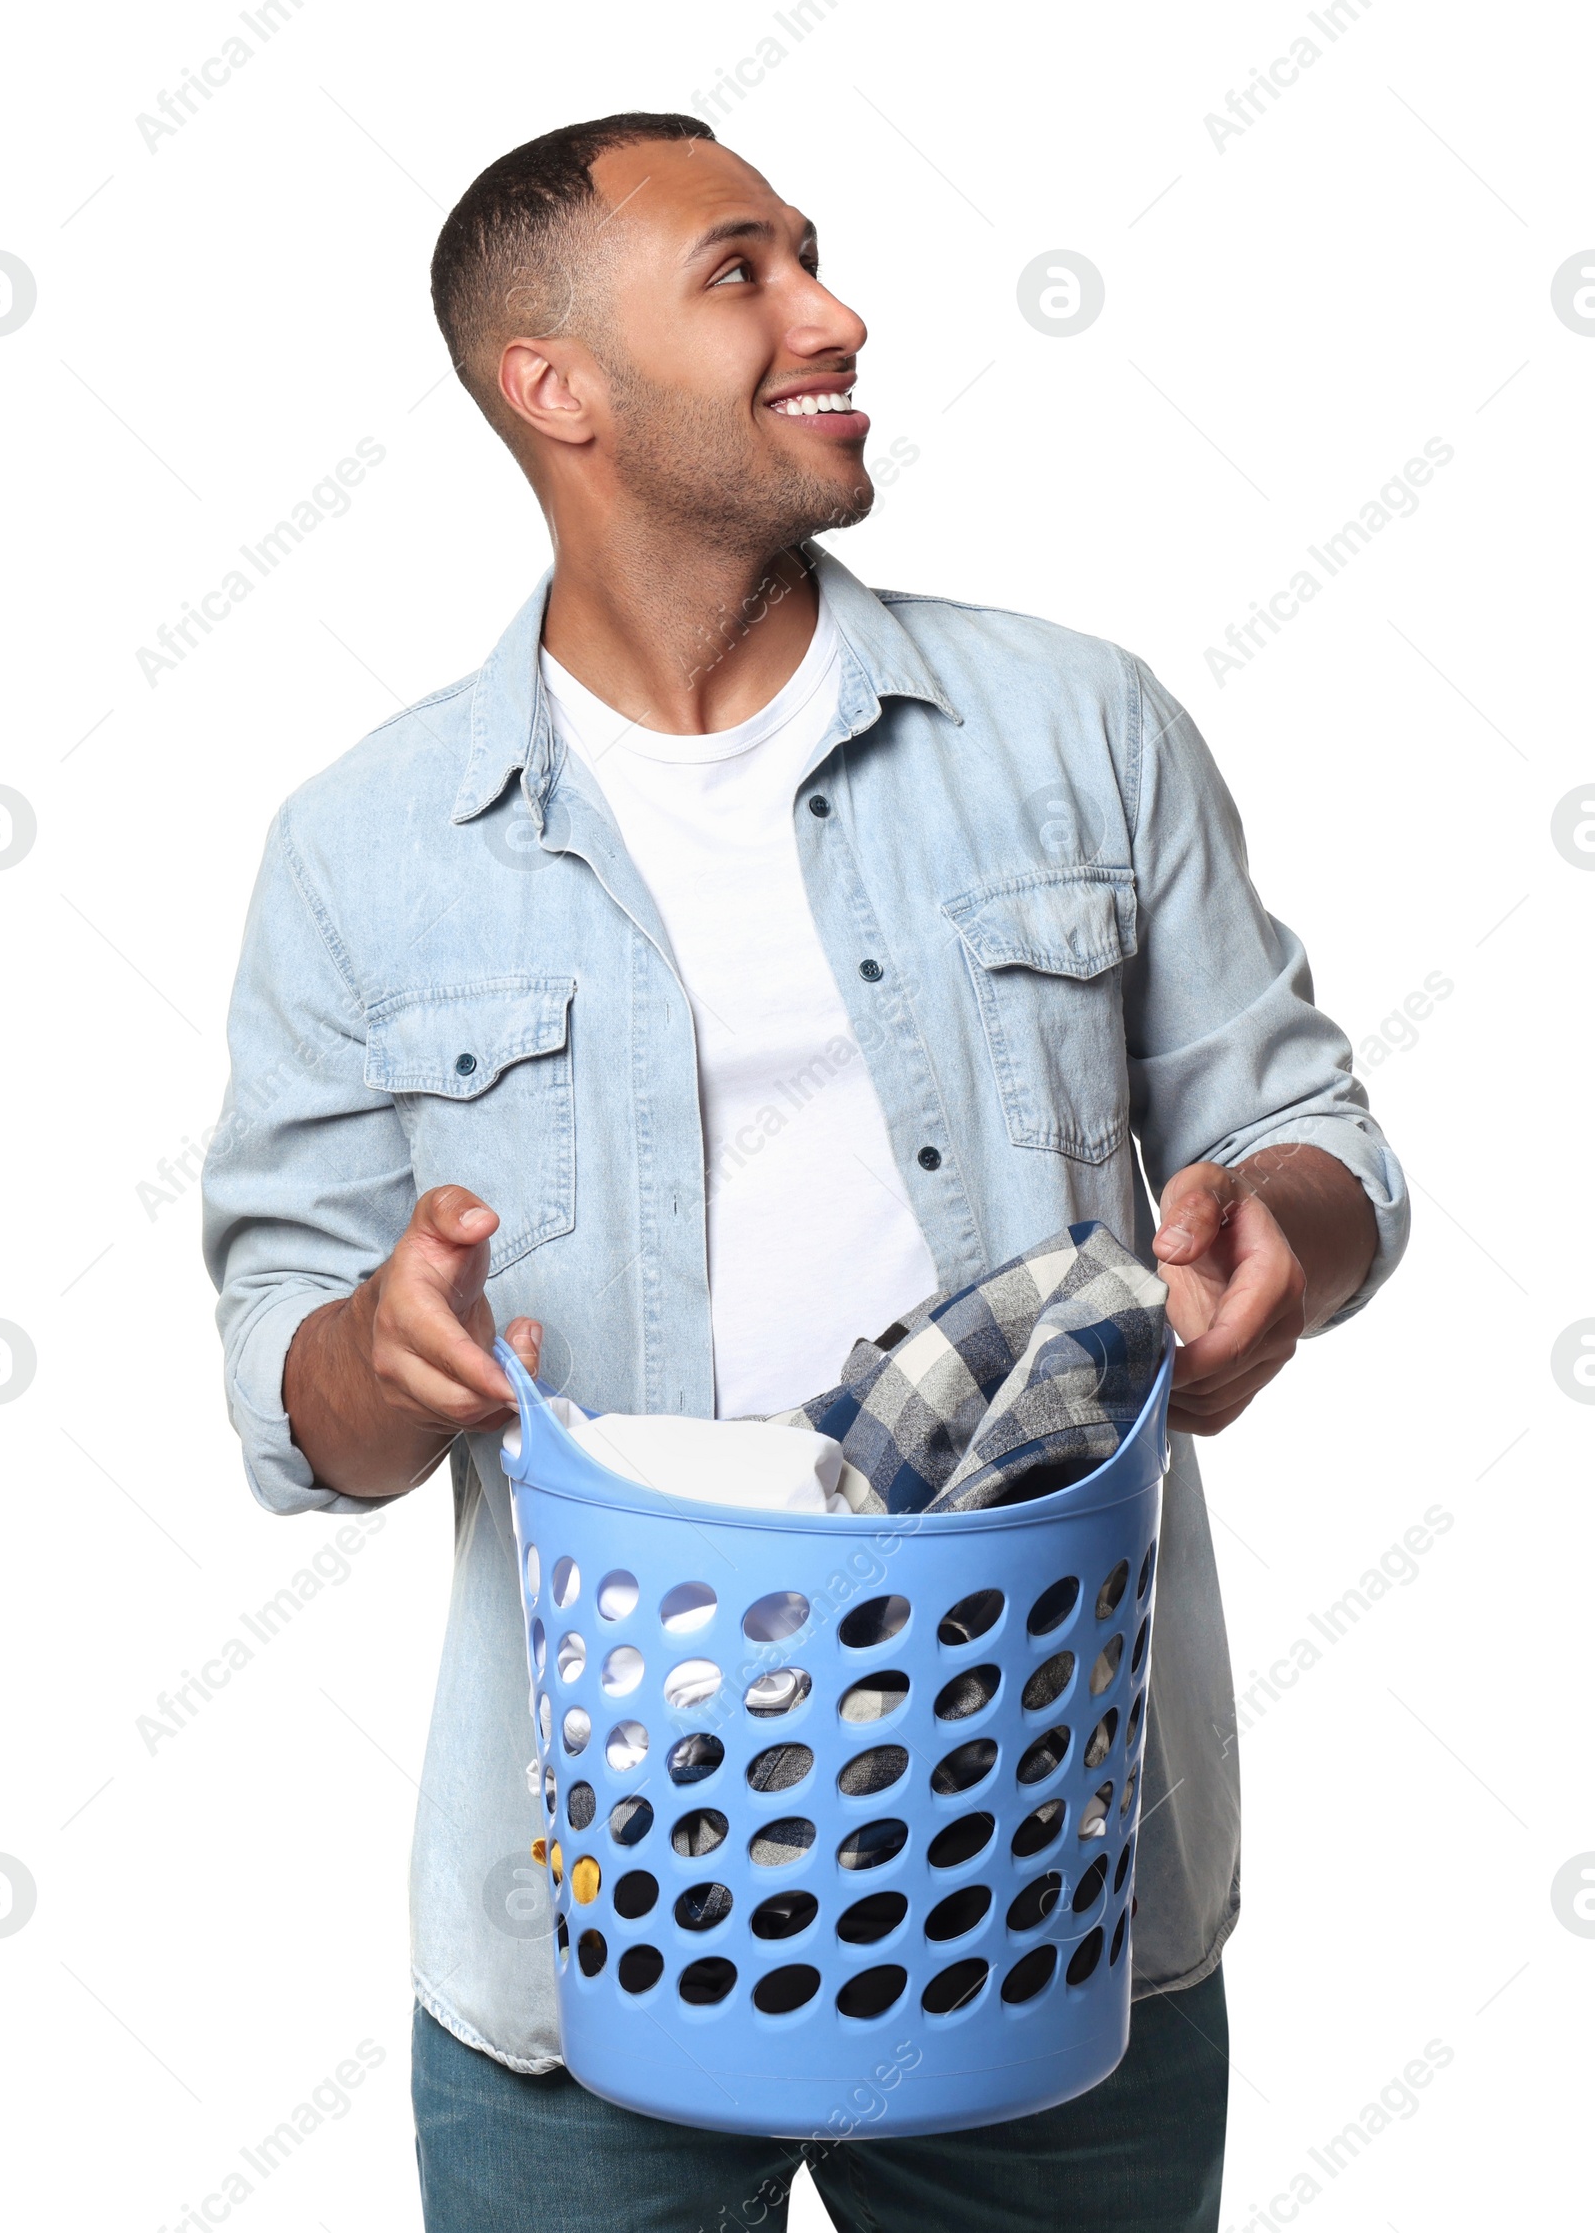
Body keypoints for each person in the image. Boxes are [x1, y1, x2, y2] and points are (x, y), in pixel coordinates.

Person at [202, 111, 1407, 2232]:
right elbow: (293, 1400)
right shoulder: (363, 847)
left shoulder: (1074, 725)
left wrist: (1268, 1248)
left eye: (813, 260)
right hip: (584, 1931)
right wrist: (385, 1356)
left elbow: (1305, 1133)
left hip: (1047, 1871)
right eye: (740, 271)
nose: (831, 314)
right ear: (550, 385)